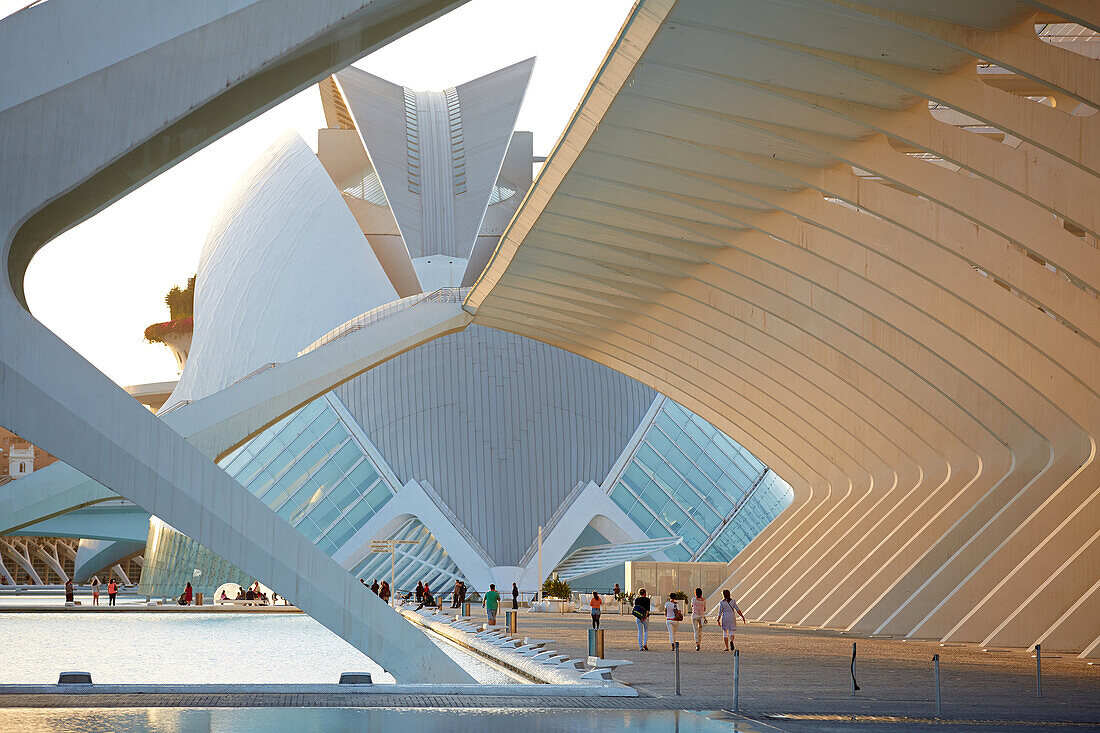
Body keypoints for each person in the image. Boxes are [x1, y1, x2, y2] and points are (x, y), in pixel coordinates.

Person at [690, 587, 707, 651]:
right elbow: (705, 608)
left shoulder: (693, 599)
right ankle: (699, 642)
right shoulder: (704, 600)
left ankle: (697, 643)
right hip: (701, 616)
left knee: (695, 630)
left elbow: (692, 606)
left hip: (694, 615)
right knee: (700, 630)